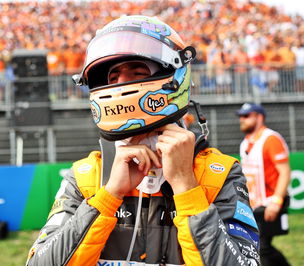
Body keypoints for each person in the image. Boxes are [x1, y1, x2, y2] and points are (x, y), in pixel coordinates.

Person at [27, 16, 260, 266]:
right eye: (112, 77)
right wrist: (108, 195)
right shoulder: (86, 177)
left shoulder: (219, 173)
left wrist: (186, 187)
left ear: (174, 76)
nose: (120, 85)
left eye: (137, 72)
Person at [237, 103, 291, 266]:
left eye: (246, 116)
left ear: (259, 117)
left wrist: (276, 202)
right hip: (254, 203)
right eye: (241, 116)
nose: (242, 120)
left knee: (261, 248)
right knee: (258, 247)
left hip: (270, 201)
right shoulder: (245, 143)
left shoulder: (271, 139)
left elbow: (284, 172)